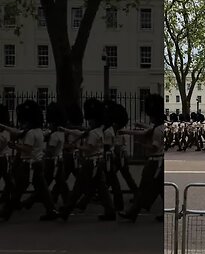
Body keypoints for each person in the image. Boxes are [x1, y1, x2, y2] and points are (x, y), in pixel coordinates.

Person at [0, 100, 58, 221]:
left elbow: (27, 149)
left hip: (29, 165)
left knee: (18, 190)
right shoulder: (38, 131)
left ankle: (6, 212)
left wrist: (14, 146)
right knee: (42, 190)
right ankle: (51, 210)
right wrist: (3, 126)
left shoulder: (31, 133)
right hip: (36, 164)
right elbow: (17, 132)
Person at [59, 98, 116, 221]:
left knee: (78, 188)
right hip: (98, 161)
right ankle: (110, 211)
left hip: (91, 162)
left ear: (93, 119)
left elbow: (88, 148)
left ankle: (66, 210)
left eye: (90, 120)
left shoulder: (93, 133)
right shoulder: (99, 131)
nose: (88, 122)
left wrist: (76, 146)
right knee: (102, 189)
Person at [118, 94, 164, 222]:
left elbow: (153, 146)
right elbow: (147, 131)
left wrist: (141, 144)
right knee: (159, 188)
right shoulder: (160, 127)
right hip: (160, 162)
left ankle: (133, 212)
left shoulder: (157, 130)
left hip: (155, 162)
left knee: (143, 188)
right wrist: (129, 131)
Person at [0, 104, 13, 204]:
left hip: (4, 157)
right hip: (4, 157)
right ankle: (6, 197)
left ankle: (7, 198)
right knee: (8, 180)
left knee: (8, 181)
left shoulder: (4, 132)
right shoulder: (6, 130)